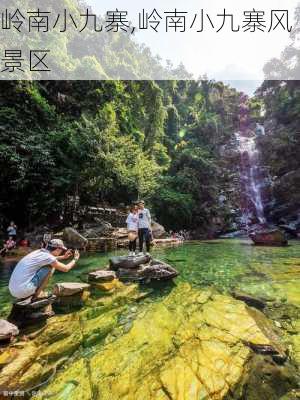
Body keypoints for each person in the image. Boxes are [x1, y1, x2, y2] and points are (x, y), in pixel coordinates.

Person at [8, 239, 80, 302]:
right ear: (58, 249)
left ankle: (31, 292)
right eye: (62, 250)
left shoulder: (39, 252)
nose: (61, 252)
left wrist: (64, 257)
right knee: (51, 267)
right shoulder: (48, 257)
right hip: (23, 291)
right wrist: (75, 259)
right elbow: (66, 268)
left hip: (13, 291)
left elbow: (49, 259)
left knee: (47, 265)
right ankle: (39, 294)